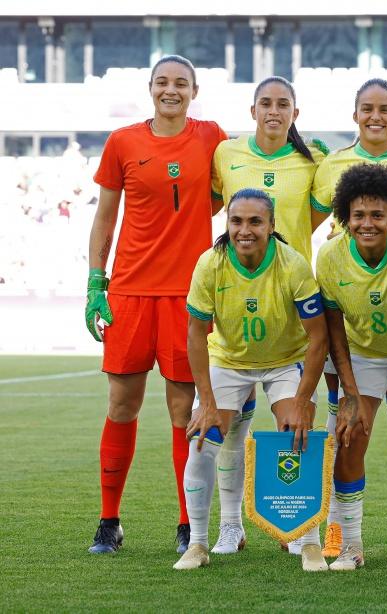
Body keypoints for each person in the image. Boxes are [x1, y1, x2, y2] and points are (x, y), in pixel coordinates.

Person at [85, 55, 227, 554]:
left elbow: (250, 168)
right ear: (150, 89)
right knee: (121, 403)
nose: (172, 90)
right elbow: (105, 217)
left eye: (181, 83)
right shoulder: (122, 141)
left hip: (187, 295)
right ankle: (108, 521)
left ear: (194, 90)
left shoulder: (212, 136)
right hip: (129, 291)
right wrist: (95, 284)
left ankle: (188, 523)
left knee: (180, 408)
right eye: (163, 82)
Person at [173, 189, 329, 571]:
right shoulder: (210, 263)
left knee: (297, 430)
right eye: (237, 221)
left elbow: (318, 337)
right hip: (228, 361)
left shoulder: (292, 264)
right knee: (202, 440)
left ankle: (305, 538)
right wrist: (207, 403)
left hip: (284, 361)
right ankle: (204, 541)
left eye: (255, 221)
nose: (245, 230)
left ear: (272, 226)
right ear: (227, 224)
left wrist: (303, 399)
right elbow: (195, 334)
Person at [311, 78, 387, 559]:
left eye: (378, 214)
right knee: (350, 433)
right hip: (361, 353)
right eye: (358, 214)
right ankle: (348, 539)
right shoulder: (331, 255)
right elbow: (335, 329)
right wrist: (343, 393)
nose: (367, 221)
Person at [208, 75, 328, 556]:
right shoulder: (226, 154)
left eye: (283, 104)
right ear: (252, 109)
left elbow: (316, 216)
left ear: (295, 114)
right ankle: (230, 526)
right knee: (230, 429)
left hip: (291, 305)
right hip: (236, 300)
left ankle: (293, 526)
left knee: (295, 423)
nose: (273, 111)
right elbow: (213, 206)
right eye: (265, 103)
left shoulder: (311, 159)